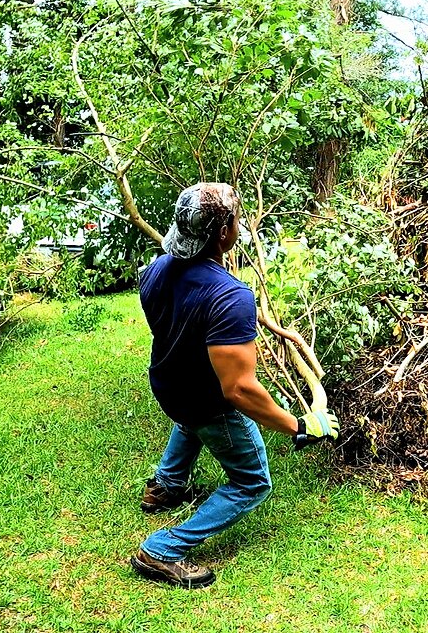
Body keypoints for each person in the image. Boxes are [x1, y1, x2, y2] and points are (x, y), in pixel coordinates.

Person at [130, 182, 340, 589]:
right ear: (224, 231)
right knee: (253, 481)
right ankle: (162, 550)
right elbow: (239, 390)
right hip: (207, 403)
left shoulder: (154, 271)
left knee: (187, 420)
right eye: (236, 219)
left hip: (169, 385)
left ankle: (166, 487)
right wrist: (299, 426)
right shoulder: (230, 297)